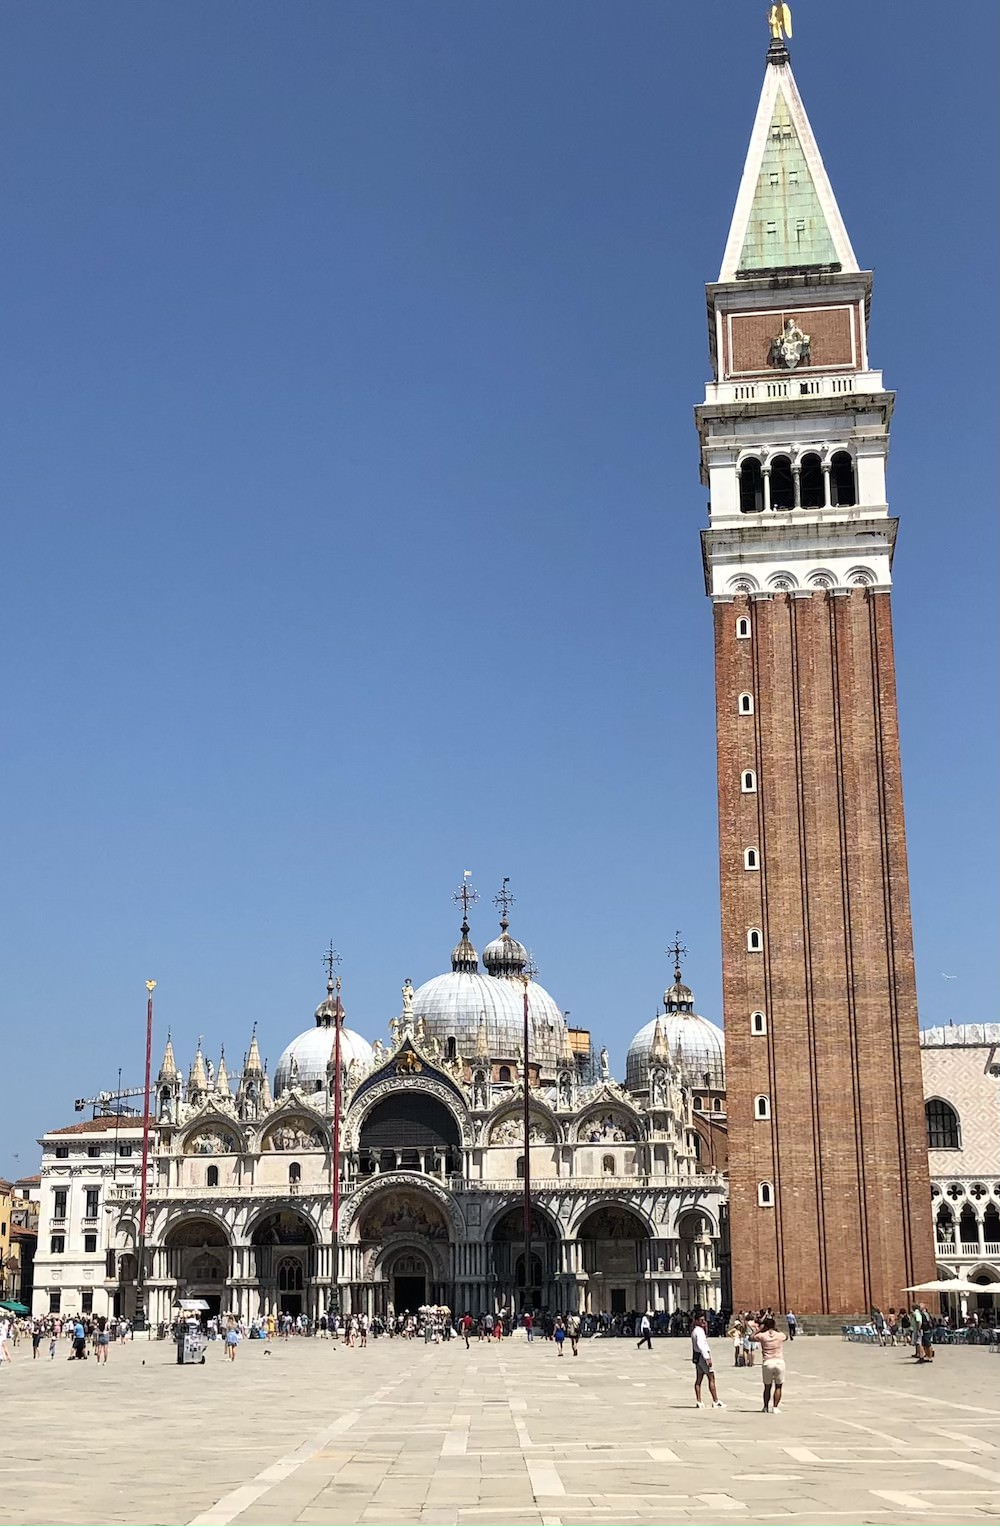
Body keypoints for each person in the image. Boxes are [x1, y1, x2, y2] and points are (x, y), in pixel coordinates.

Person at [691, 1315, 725, 1409]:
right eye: (701, 1320)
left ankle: (699, 1401)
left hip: (697, 1356)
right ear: (697, 1320)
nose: (703, 1321)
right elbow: (701, 1345)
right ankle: (715, 1400)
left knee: (699, 1379)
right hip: (703, 1356)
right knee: (711, 1378)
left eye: (704, 1320)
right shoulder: (699, 1331)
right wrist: (707, 1358)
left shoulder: (695, 1331)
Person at [757, 1316, 787, 1412]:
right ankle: (775, 1407)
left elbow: (750, 1338)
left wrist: (759, 1329)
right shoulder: (779, 1335)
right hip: (779, 1362)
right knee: (778, 1386)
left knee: (767, 1387)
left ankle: (765, 1407)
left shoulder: (762, 1335)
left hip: (767, 1362)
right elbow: (786, 1337)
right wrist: (776, 1330)